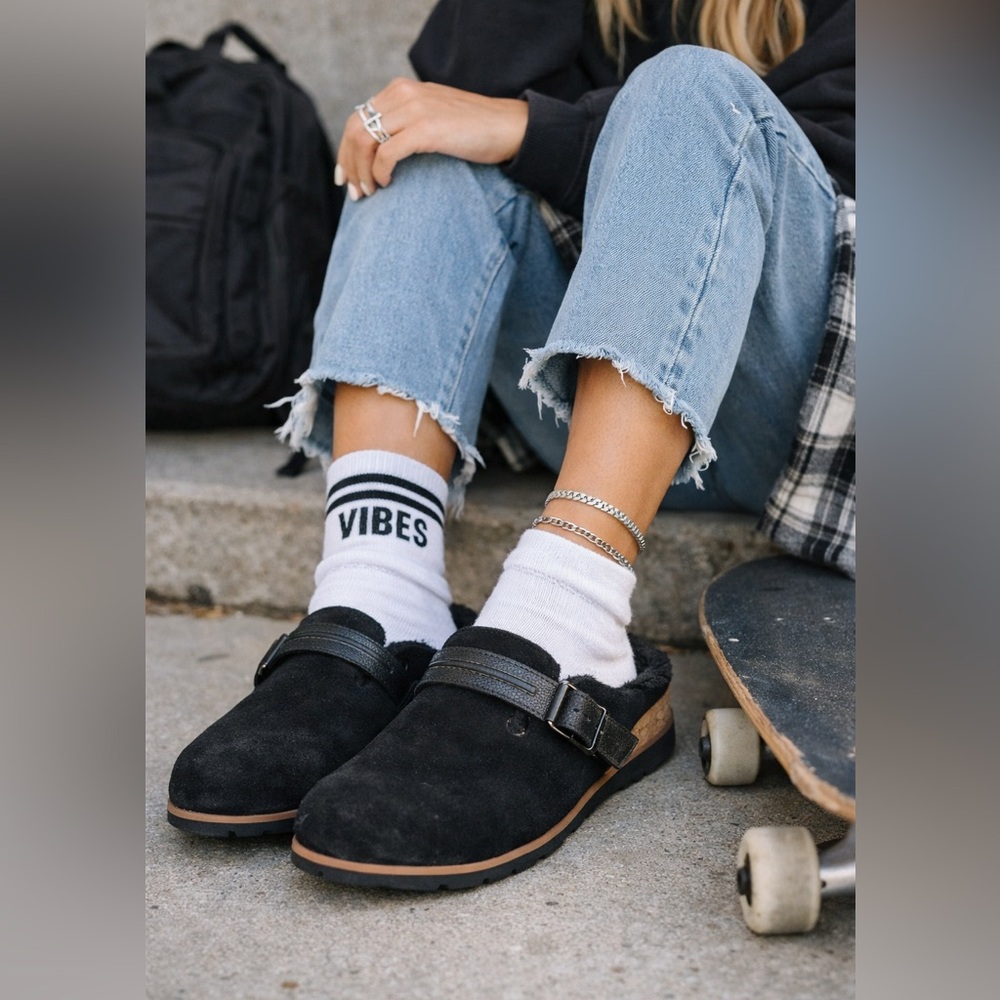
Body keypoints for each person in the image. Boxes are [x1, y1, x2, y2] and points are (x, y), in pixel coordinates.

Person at [167, 0, 855, 890]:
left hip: (798, 411)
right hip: (600, 404)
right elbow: (450, 93)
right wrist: (490, 120)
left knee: (688, 91)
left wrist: (535, 129)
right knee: (417, 139)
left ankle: (572, 631)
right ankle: (384, 598)